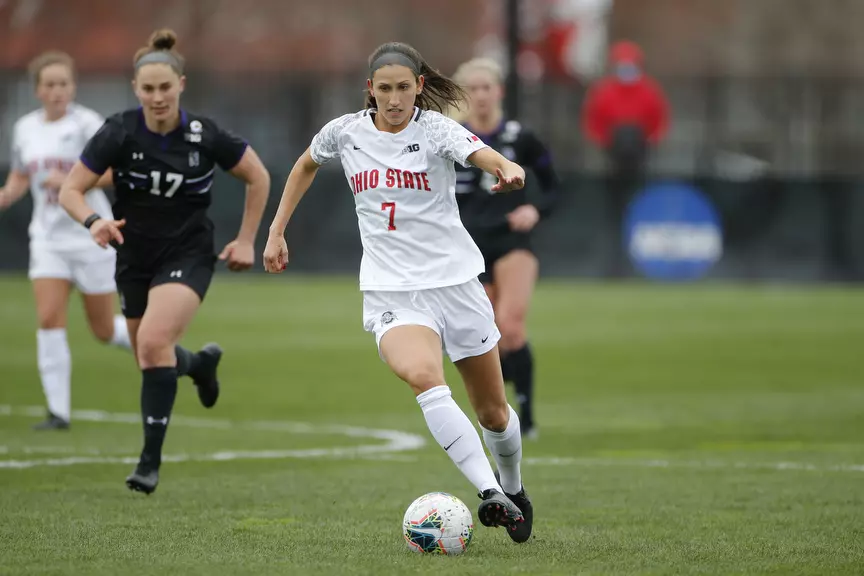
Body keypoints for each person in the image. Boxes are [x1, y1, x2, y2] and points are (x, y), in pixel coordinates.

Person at [264, 41, 533, 543]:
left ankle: (514, 489)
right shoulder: (344, 132)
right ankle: (487, 491)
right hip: (392, 291)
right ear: (370, 90)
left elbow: (481, 153)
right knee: (425, 378)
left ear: (419, 88)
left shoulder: (433, 129)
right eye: (384, 89)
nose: (393, 99)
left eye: (403, 88)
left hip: (455, 285)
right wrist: (277, 230)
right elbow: (304, 164)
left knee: (494, 413)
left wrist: (506, 169)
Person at [58, 29, 271, 494]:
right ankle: (198, 365)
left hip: (189, 252)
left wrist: (246, 240)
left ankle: (148, 464)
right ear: (136, 90)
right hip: (134, 257)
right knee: (148, 355)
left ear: (181, 85)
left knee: (153, 343)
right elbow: (70, 190)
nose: (157, 97)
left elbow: (257, 175)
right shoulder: (118, 131)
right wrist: (94, 220)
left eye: (165, 88)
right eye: (148, 89)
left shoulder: (203, 134)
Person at [0, 51, 133, 431]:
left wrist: (75, 181)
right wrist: (7, 194)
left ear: (72, 86)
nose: (57, 91)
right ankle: (58, 412)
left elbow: (116, 170)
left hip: (92, 233)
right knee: (48, 318)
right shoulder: (25, 127)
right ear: (38, 89)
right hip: (48, 238)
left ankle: (159, 346)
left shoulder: (89, 123)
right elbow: (22, 174)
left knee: (104, 329)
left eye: (63, 84)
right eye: (49, 84)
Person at [452, 57, 560, 440]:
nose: (481, 95)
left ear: (498, 91)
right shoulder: (453, 138)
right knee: (487, 335)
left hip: (513, 242)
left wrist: (535, 208)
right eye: (473, 89)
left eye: (487, 87)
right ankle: (502, 413)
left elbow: (553, 185)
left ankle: (527, 413)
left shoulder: (520, 137)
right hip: (470, 247)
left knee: (511, 327)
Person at [581, 40, 670, 276]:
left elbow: (659, 120)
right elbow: (593, 121)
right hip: (612, 158)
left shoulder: (650, 91)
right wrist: (605, 142)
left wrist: (649, 140)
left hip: (641, 157)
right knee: (613, 206)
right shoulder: (604, 92)